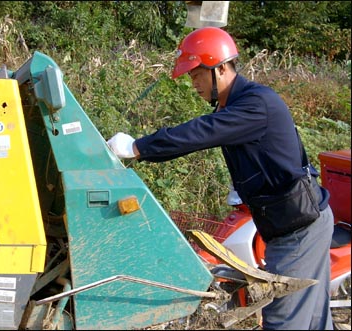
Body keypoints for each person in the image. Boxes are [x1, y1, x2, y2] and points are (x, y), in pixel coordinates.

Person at [107, 26, 334, 330]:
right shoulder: (238, 105)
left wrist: (137, 147)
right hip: (294, 220)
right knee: (313, 318)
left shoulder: (255, 104)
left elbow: (200, 132)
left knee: (284, 318)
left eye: (197, 75)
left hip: (298, 230)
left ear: (222, 68)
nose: (194, 84)